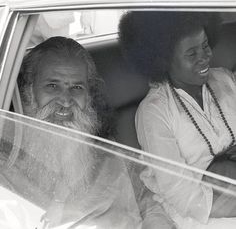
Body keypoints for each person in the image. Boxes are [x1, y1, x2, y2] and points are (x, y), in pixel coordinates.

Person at [1, 36, 142, 228]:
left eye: (76, 88)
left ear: (88, 95)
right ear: (30, 90)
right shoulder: (7, 168)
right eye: (52, 86)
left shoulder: (108, 154)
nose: (66, 102)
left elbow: (146, 204)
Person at [119, 11, 236, 229]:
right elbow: (181, 194)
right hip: (199, 214)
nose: (205, 56)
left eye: (205, 44)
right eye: (191, 53)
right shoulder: (154, 112)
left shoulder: (224, 79)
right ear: (163, 59)